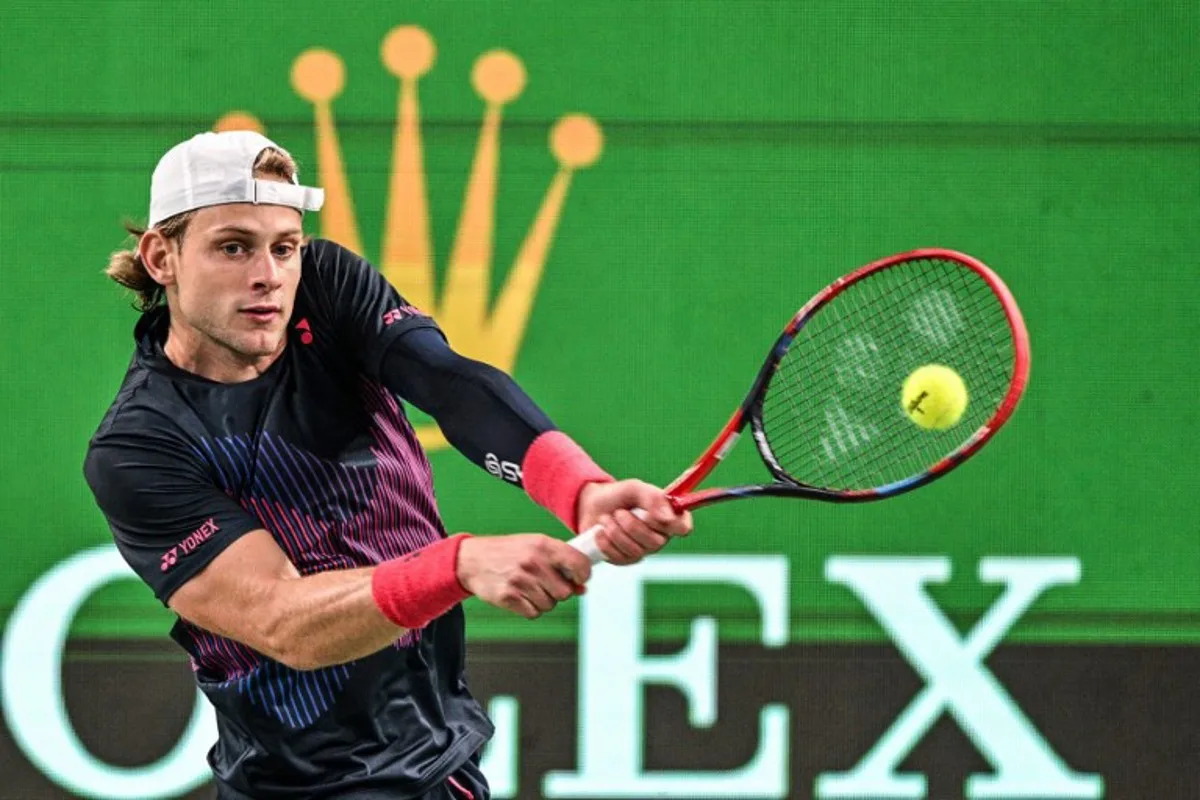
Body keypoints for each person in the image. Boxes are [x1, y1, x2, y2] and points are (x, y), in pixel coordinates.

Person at [83, 130, 692, 800]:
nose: (269, 275)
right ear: (161, 256)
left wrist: (580, 490)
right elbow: (283, 620)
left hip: (440, 755)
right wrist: (458, 564)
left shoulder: (326, 287)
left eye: (285, 246)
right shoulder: (138, 448)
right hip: (304, 787)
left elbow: (451, 384)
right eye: (233, 247)